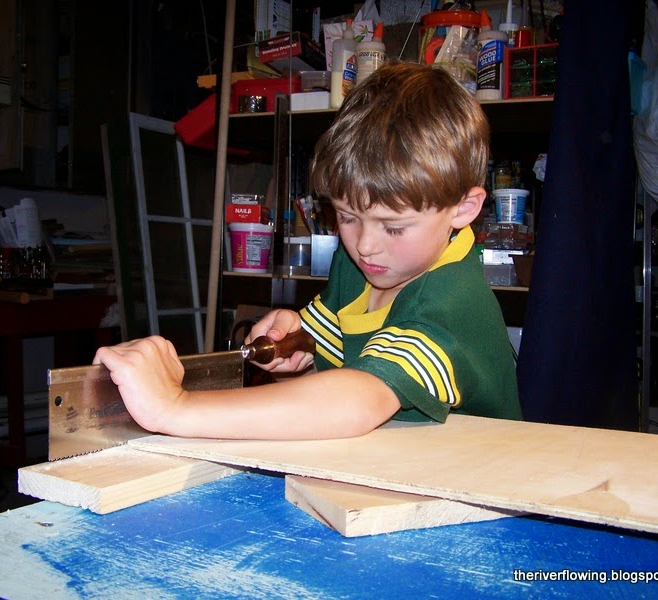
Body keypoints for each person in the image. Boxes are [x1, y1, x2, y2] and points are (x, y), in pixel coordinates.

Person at [93, 60, 522, 441]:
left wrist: (176, 407)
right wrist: (299, 352)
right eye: (347, 217)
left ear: (463, 208)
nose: (365, 245)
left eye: (394, 227)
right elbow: (334, 371)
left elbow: (358, 400)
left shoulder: (451, 302)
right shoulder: (363, 265)